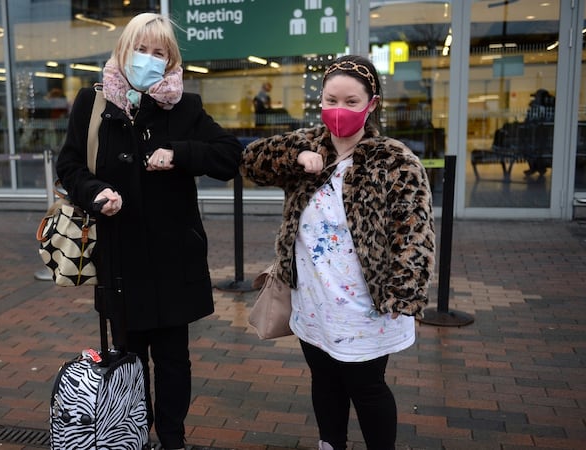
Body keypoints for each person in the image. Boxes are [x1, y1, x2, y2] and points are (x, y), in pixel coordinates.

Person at [55, 12, 242, 450]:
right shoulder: (93, 103)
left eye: (159, 52)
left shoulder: (186, 108)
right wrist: (96, 190)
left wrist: (178, 153)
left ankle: (173, 438)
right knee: (129, 360)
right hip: (120, 260)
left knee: (175, 361)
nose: (148, 59)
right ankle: (131, 434)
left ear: (171, 61)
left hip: (175, 260)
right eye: (141, 49)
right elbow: (69, 166)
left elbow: (229, 156)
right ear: (123, 50)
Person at [240, 54, 436, 450]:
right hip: (313, 297)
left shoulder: (394, 160)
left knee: (366, 386)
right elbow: (251, 162)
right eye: (331, 100)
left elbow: (414, 232)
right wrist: (293, 157)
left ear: (372, 104)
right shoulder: (308, 143)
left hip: (367, 303)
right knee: (324, 379)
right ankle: (331, 443)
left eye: (351, 101)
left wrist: (405, 291)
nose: (339, 110)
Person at [523, 88, 555, 176]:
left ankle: (539, 167)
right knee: (531, 148)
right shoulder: (534, 107)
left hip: (541, 135)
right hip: (533, 135)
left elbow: (547, 121)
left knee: (535, 149)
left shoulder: (547, 109)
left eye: (536, 97)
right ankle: (535, 167)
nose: (535, 99)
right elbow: (528, 119)